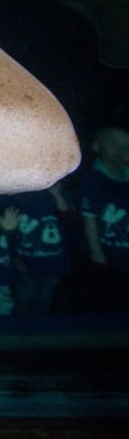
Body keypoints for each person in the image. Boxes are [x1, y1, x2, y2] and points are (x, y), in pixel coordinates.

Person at [77, 126, 129, 312]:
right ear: (97, 145)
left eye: (126, 145)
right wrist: (96, 251)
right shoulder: (93, 180)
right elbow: (88, 219)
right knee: (106, 300)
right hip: (104, 254)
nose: (122, 150)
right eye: (114, 143)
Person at [11, 184, 73, 315]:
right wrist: (14, 257)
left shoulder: (62, 193)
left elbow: (70, 221)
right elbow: (10, 229)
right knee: (23, 297)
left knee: (46, 298)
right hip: (26, 260)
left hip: (54, 261)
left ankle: (42, 330)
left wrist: (57, 195)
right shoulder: (17, 195)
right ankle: (21, 330)